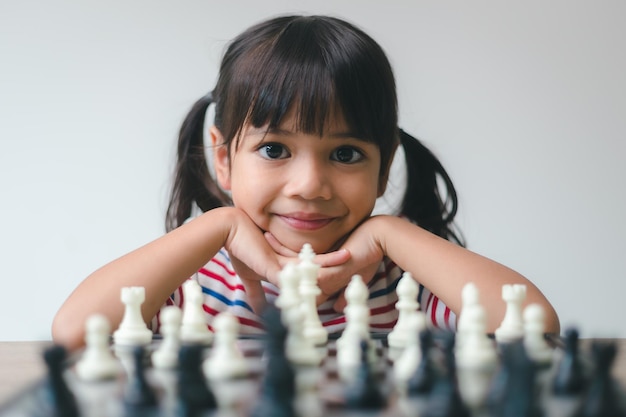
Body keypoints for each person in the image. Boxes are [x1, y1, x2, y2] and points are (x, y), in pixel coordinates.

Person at [52, 14, 559, 350]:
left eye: (345, 154)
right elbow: (73, 331)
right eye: (274, 150)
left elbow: (535, 323)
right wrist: (218, 227)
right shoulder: (196, 282)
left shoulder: (401, 279)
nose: (310, 185)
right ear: (223, 160)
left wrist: (389, 235)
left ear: (384, 170)